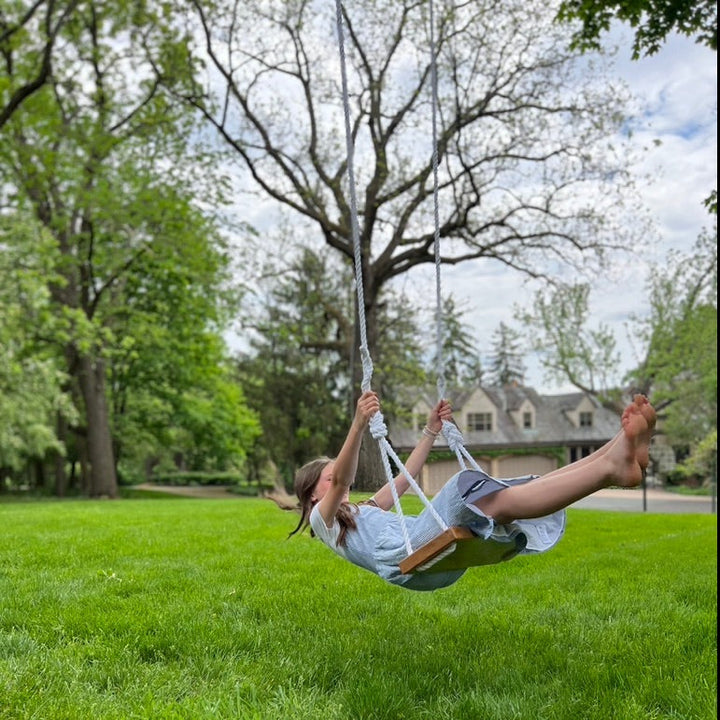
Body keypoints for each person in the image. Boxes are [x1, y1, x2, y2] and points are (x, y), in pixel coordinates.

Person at [289, 391, 656, 592]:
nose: (337, 476)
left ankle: (616, 449)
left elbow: (405, 479)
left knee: (520, 489)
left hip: (423, 555)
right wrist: (358, 424)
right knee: (485, 497)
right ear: (313, 497)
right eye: (328, 476)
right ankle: (612, 468)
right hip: (408, 556)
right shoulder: (324, 524)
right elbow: (341, 480)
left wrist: (431, 431)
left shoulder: (361, 511)